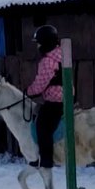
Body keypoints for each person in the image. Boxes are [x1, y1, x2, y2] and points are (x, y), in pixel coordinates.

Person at [25, 24, 64, 174]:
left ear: (46, 42)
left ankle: (46, 161)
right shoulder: (60, 54)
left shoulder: (47, 61)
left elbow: (40, 85)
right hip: (66, 97)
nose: (38, 46)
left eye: (39, 42)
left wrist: (28, 92)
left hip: (55, 101)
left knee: (42, 126)